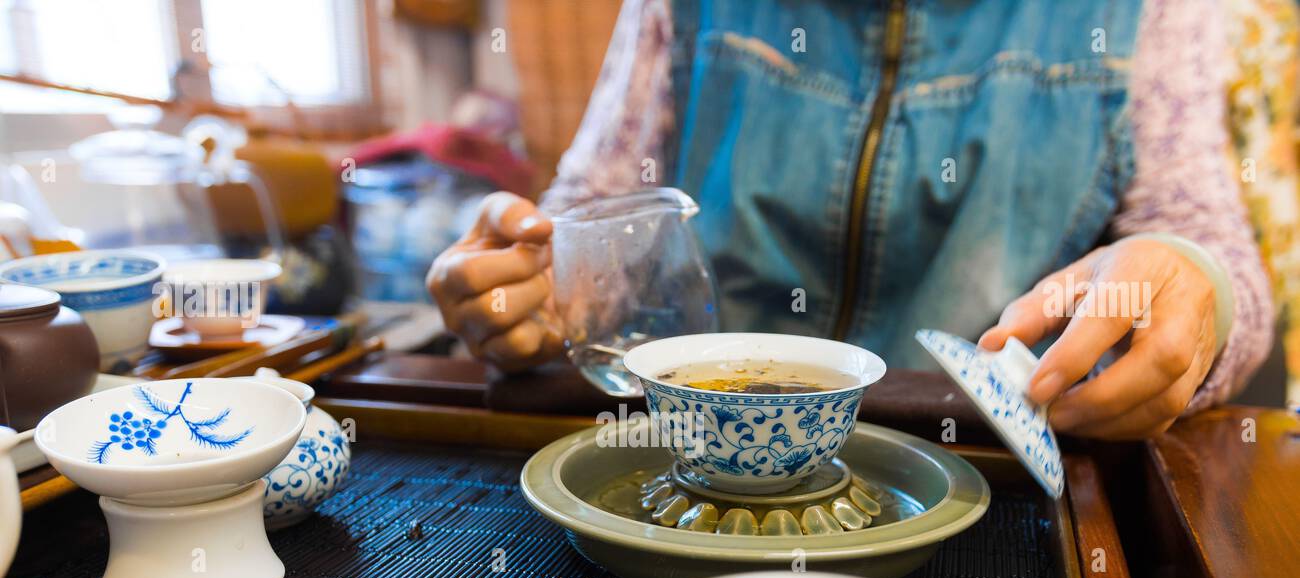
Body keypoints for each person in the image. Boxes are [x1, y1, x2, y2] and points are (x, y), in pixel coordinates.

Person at [429, 0, 1275, 439]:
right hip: (686, 452)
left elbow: (1212, 245)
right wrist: (528, 283)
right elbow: (592, 209)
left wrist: (1193, 290)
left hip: (973, 477)